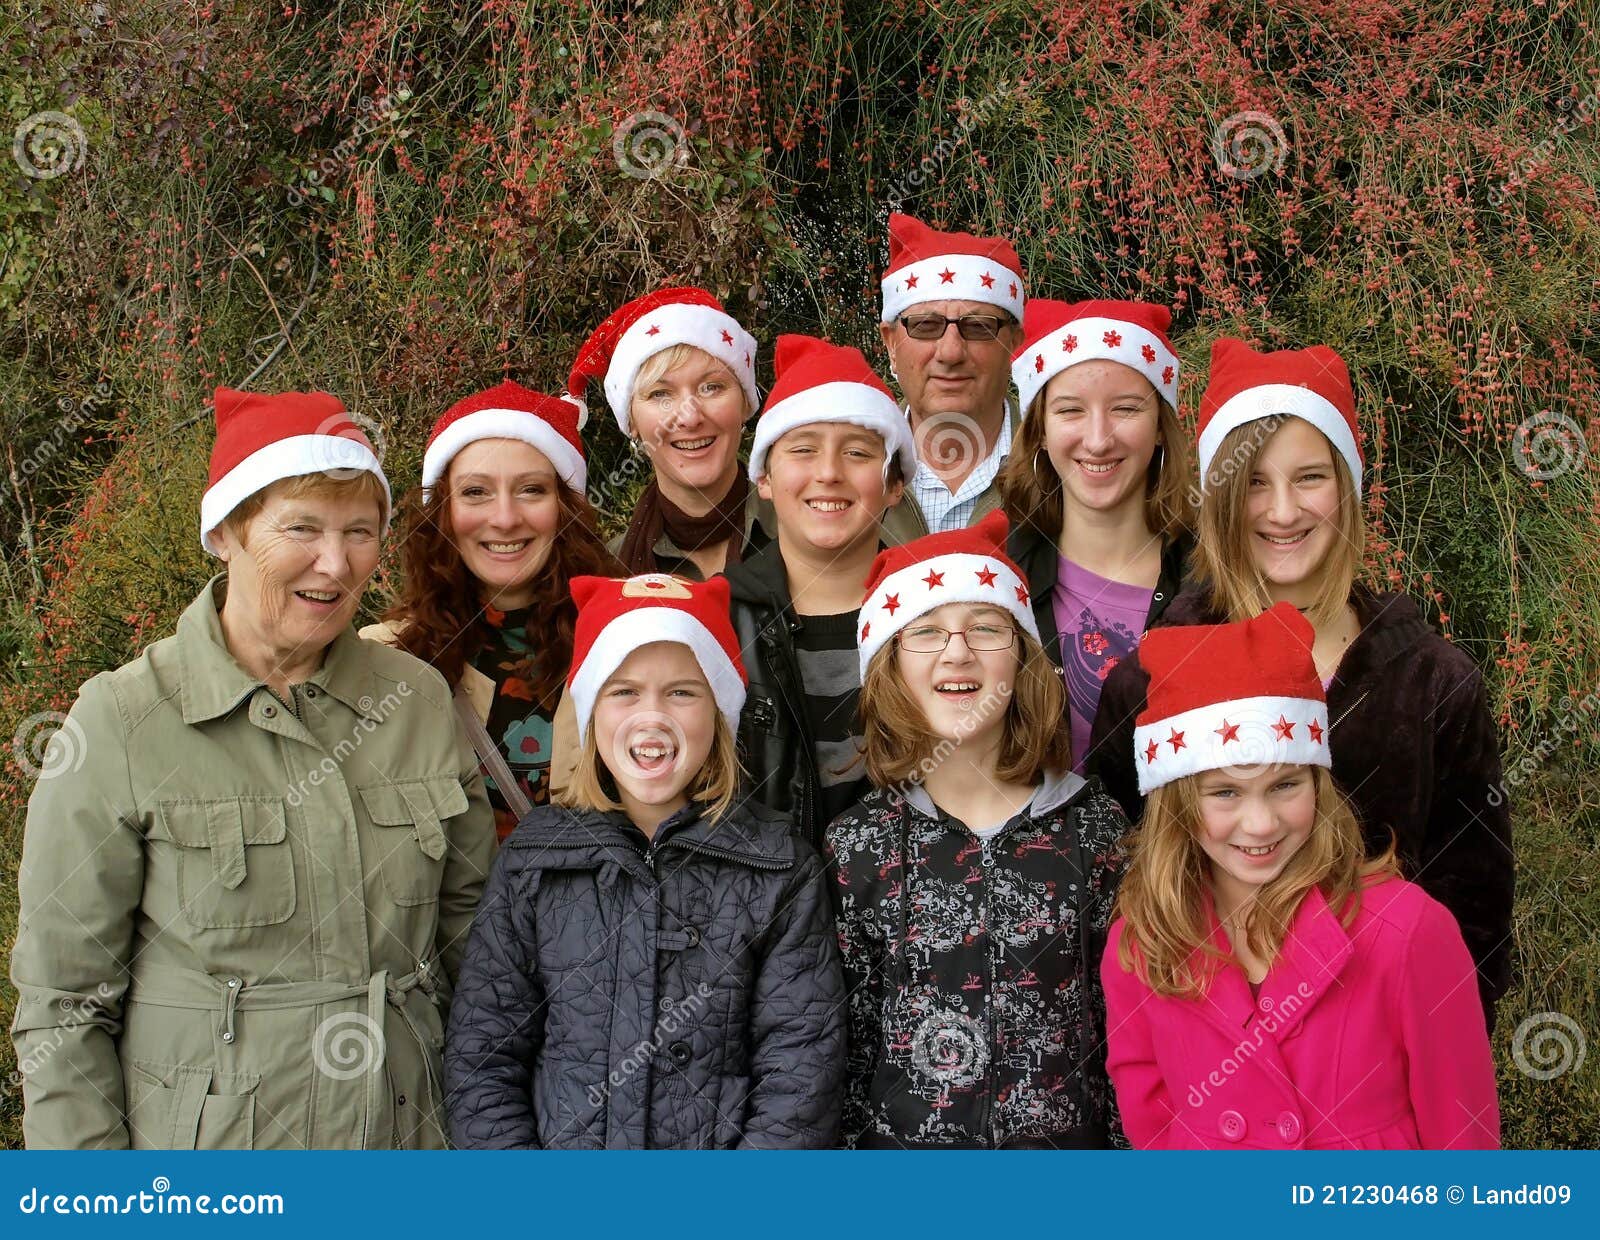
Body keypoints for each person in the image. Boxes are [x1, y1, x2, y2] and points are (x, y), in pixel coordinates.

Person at [10, 387, 495, 1149]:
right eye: (301, 527)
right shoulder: (122, 723)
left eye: (360, 532)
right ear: (228, 531)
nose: (335, 563)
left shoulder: (417, 702)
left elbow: (478, 952)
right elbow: (64, 1007)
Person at [1086, 338, 1514, 1024]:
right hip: (1207, 1063)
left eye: (1309, 477)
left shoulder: (1434, 683)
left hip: (1373, 1070)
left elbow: (1476, 917)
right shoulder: (1148, 680)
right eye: (1254, 482)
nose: (1282, 512)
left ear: (1346, 486)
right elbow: (1111, 894)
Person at [444, 573, 846, 1148]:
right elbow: (484, 1057)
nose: (652, 716)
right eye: (624, 691)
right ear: (590, 712)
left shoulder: (779, 868)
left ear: (719, 713)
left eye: (682, 692)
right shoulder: (534, 859)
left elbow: (800, 1073)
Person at [1101, 603, 1499, 1149]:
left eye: (1285, 785)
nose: (1261, 823)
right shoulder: (1142, 944)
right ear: (1176, 803)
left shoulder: (1407, 929)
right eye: (1225, 793)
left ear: (1318, 783)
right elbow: (1153, 1123)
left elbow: (1465, 1143)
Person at [824, 512, 1127, 1148]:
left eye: (986, 629)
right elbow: (847, 1049)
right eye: (926, 633)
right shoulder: (859, 846)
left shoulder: (1094, 830)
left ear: (1021, 659)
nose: (957, 651)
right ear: (889, 668)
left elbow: (1127, 1030)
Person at [364, 380, 620, 840]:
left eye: (531, 490)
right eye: (476, 492)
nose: (504, 517)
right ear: (441, 510)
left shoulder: (626, 643)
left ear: (566, 509)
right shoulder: (383, 662)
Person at [726, 334, 914, 847]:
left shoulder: (935, 620)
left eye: (857, 452)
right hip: (762, 908)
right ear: (764, 476)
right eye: (803, 450)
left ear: (894, 485)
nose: (829, 473)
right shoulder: (717, 623)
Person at [1000, 299, 1196, 772]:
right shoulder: (1000, 578)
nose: (1098, 439)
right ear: (1040, 431)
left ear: (1160, 430)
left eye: (1126, 408)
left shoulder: (1212, 576)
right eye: (1070, 411)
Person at [568, 286, 774, 578]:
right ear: (632, 422)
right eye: (661, 394)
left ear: (744, 403)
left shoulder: (807, 534)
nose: (689, 417)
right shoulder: (609, 571)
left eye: (712, 387)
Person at [877, 212, 1026, 542]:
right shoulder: (844, 477)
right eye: (925, 326)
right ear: (890, 343)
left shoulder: (1063, 466)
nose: (950, 352)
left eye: (979, 327)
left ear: (1014, 344)